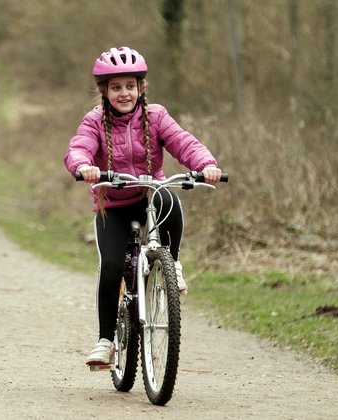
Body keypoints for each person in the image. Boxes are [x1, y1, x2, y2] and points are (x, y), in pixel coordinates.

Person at [63, 47, 223, 366]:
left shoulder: (156, 116)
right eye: (116, 87)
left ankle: (171, 264)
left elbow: (183, 142)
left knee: (168, 195)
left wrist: (206, 164)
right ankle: (106, 340)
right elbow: (78, 147)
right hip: (113, 206)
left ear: (141, 88)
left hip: (149, 197)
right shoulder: (94, 121)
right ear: (104, 91)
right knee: (111, 266)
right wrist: (83, 166)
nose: (124, 93)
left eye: (130, 86)